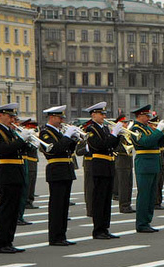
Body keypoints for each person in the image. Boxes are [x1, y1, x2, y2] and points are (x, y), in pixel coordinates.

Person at [0, 103, 29, 253]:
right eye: (10, 116)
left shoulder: (11, 132)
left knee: (14, 211)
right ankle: (1, 243)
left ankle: (9, 241)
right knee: (6, 210)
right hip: (6, 174)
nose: (13, 119)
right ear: (1, 116)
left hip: (16, 174)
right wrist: (20, 140)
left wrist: (26, 139)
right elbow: (2, 150)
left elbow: (21, 150)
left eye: (13, 117)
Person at [40, 105, 79, 246]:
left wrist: (73, 139)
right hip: (56, 170)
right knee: (56, 206)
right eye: (59, 117)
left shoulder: (59, 132)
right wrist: (67, 136)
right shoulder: (46, 133)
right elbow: (55, 149)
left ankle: (62, 235)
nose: (62, 120)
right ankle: (55, 237)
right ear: (52, 117)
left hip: (66, 170)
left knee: (63, 206)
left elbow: (68, 149)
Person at [84, 101, 122, 240]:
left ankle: (105, 228)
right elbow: (99, 146)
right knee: (99, 199)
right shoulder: (91, 129)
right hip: (99, 166)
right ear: (94, 114)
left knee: (107, 200)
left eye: (104, 113)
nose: (104, 116)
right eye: (101, 113)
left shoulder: (105, 128)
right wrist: (113, 135)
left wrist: (118, 136)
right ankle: (98, 229)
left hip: (108, 166)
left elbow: (111, 146)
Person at [131, 105, 164, 233]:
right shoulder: (135, 128)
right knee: (144, 195)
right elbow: (145, 142)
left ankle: (147, 221)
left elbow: (160, 143)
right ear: (139, 116)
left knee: (151, 195)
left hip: (153, 163)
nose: (148, 118)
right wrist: (158, 131)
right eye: (146, 116)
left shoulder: (147, 128)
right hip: (144, 164)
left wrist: (163, 134)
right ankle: (141, 223)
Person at [113, 115, 135, 214]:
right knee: (123, 185)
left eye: (126, 123)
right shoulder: (118, 134)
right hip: (121, 160)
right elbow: (116, 147)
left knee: (129, 184)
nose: (126, 124)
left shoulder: (126, 133)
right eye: (124, 123)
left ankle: (128, 204)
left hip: (128, 160)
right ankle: (123, 205)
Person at [150, 113, 164, 211]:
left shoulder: (157, 133)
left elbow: (163, 143)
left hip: (161, 158)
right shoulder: (151, 134)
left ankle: (158, 201)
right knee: (155, 182)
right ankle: (154, 202)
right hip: (155, 157)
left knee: (160, 181)